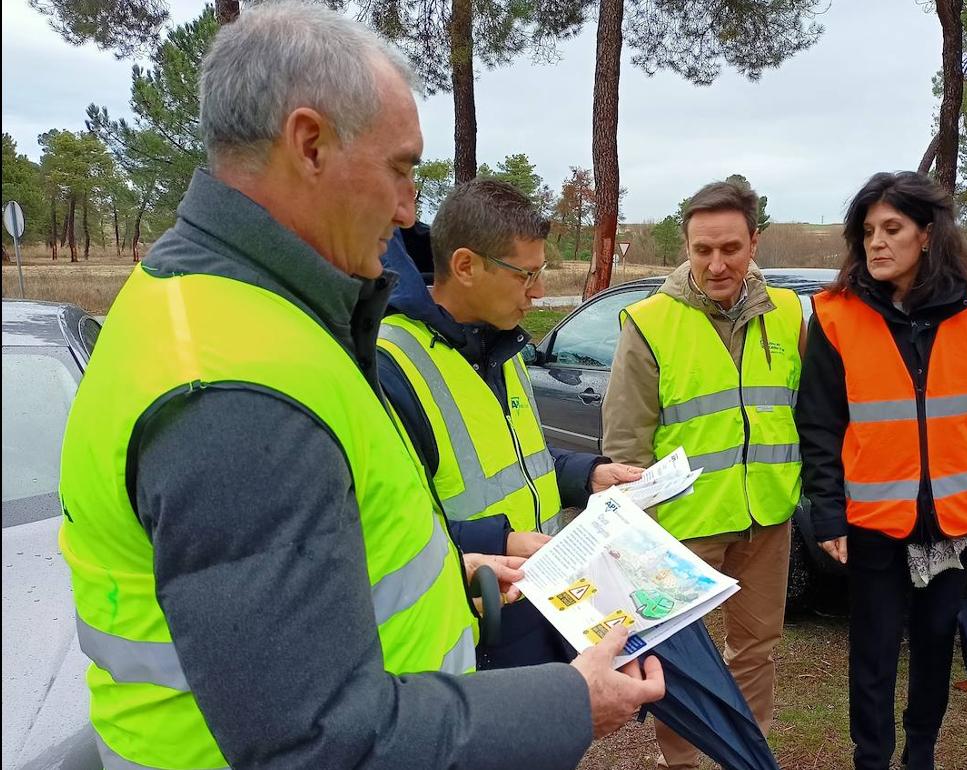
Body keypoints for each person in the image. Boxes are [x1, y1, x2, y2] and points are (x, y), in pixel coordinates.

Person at [56, 5, 662, 768]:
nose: (411, 208)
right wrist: (572, 703)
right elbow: (321, 740)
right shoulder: (232, 390)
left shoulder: (239, 310)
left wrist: (454, 567)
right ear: (309, 144)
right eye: (401, 169)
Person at [796, 171, 967, 770]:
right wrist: (828, 509)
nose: (876, 244)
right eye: (867, 232)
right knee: (875, 651)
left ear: (928, 235)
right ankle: (872, 758)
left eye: (892, 229)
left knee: (937, 644)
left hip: (957, 520)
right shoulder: (836, 316)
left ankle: (921, 756)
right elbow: (819, 425)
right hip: (876, 519)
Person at [376, 179, 644, 668]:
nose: (539, 293)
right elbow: (379, 533)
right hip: (474, 632)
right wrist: (493, 542)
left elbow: (519, 463)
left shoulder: (503, 346)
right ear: (464, 266)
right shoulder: (390, 363)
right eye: (527, 276)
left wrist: (584, 475)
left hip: (542, 610)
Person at [602, 178, 805, 769]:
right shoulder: (648, 323)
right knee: (680, 662)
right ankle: (683, 761)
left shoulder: (789, 314)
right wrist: (636, 536)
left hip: (766, 519)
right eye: (702, 250)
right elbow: (625, 444)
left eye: (730, 249)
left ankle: (746, 753)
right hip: (681, 529)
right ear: (686, 247)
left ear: (754, 243)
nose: (717, 264)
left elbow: (805, 411)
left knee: (757, 649)